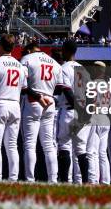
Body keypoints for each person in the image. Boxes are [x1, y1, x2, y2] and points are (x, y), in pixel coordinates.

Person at [0, 34, 27, 181]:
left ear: (1, 45)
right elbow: (24, 88)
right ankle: (13, 177)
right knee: (12, 145)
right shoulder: (21, 66)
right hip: (15, 104)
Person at [21, 42, 61, 183]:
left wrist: (38, 95)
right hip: (50, 100)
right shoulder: (55, 63)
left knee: (30, 144)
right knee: (48, 144)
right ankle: (53, 180)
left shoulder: (28, 58)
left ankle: (30, 180)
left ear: (30, 49)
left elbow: (22, 84)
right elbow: (59, 88)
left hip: (34, 99)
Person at [56, 40, 90, 184]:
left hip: (70, 110)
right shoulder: (83, 69)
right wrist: (85, 112)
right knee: (81, 149)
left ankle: (65, 182)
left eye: (63, 50)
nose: (61, 52)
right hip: (82, 112)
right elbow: (91, 94)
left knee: (64, 145)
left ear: (66, 51)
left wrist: (79, 109)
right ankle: (86, 182)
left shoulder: (63, 68)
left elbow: (68, 92)